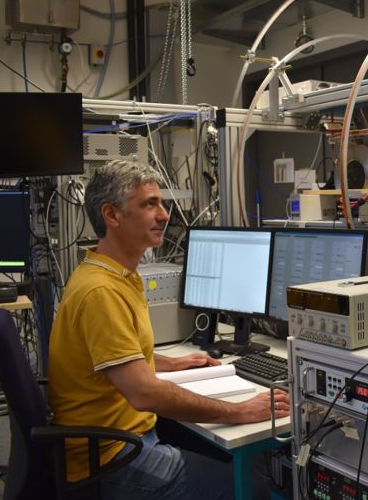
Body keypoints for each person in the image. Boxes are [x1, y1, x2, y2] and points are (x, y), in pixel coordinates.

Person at [48, 160, 290, 500]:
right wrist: (237, 411)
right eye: (149, 204)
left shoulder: (111, 274)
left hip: (118, 440)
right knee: (260, 489)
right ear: (112, 215)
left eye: (161, 203)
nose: (164, 215)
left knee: (230, 456)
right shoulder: (102, 292)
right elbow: (145, 394)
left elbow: (112, 355)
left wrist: (169, 363)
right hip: (116, 458)